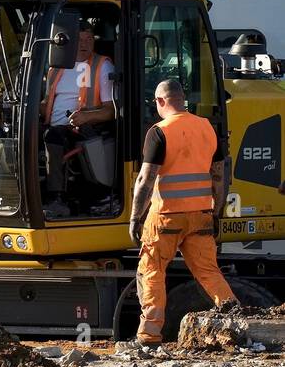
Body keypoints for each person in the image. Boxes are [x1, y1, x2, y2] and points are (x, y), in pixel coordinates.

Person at [129, 79, 234, 345]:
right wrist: (216, 212)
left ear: (161, 101)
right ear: (182, 99)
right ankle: (237, 320)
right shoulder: (206, 128)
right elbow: (220, 176)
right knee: (209, 271)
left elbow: (145, 179)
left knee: (152, 270)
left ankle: (149, 334)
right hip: (200, 214)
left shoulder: (159, 132)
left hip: (166, 216)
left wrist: (135, 217)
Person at [42, 26, 115, 218]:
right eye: (80, 39)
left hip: (80, 128)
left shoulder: (102, 66)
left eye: (89, 39)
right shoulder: (56, 68)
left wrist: (86, 117)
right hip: (52, 124)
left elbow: (111, 111)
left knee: (53, 136)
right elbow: (46, 102)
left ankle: (56, 198)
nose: (84, 44)